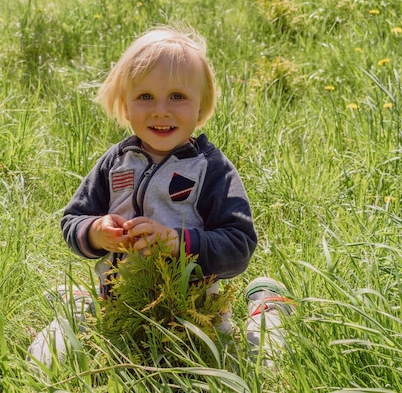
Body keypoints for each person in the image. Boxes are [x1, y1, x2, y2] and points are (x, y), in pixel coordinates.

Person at [27, 25, 292, 369]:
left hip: (198, 316)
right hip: (119, 306)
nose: (161, 111)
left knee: (261, 366)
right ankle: (80, 303)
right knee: (44, 362)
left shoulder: (209, 168)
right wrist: (96, 231)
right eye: (146, 97)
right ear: (125, 104)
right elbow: (72, 220)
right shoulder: (115, 162)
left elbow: (239, 245)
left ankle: (267, 308)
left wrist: (178, 242)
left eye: (178, 97)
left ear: (201, 106)